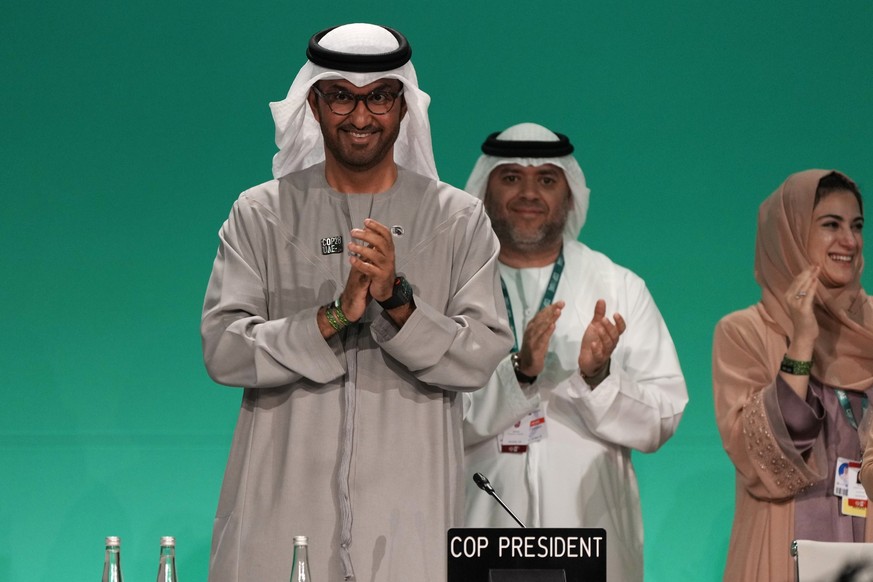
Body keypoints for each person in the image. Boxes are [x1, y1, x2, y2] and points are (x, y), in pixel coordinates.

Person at [200, 23, 513, 582]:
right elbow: (224, 349)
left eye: (379, 98)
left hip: (408, 515)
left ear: (403, 106)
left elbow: (481, 354)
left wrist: (397, 301)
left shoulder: (457, 220)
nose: (361, 116)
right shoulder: (261, 214)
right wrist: (334, 316)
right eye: (341, 95)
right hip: (282, 508)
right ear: (314, 105)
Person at [462, 122, 688, 582]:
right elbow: (429, 413)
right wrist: (520, 374)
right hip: (478, 527)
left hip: (590, 533)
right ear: (484, 191)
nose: (529, 193)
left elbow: (663, 418)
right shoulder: (454, 286)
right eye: (511, 178)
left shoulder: (618, 286)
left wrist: (600, 378)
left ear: (570, 195)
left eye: (547, 179)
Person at [713, 169, 873, 581]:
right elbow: (758, 456)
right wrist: (802, 342)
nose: (849, 242)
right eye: (830, 225)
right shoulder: (745, 332)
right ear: (790, 235)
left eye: (856, 226)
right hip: (784, 552)